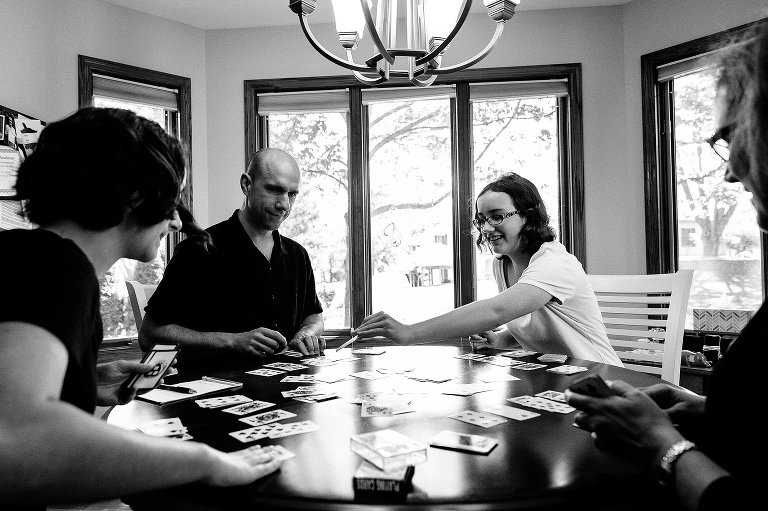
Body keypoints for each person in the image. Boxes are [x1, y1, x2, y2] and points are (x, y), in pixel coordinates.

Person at [0, 108, 281, 510]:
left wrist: (83, 382)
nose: (177, 222)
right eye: (171, 200)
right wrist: (206, 462)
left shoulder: (25, 256)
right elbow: (17, 438)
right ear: (134, 197)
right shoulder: (59, 268)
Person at [565, 26, 768, 510]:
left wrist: (664, 445)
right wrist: (705, 410)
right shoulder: (501, 266)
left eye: (730, 136)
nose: (730, 170)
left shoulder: (553, 261)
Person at [354, 173, 622, 366]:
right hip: (556, 380)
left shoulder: (555, 262)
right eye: (481, 220)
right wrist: (502, 341)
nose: (486, 228)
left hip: (597, 381)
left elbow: (497, 311)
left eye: (496, 216)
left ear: (528, 215)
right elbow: (538, 325)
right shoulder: (502, 264)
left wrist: (409, 333)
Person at [140, 147, 325, 365]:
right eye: (274, 190)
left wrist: (308, 332)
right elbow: (149, 335)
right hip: (213, 391)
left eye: (292, 194)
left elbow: (314, 316)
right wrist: (231, 341)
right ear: (246, 185)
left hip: (289, 391)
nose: (284, 204)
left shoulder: (298, 255)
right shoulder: (197, 250)